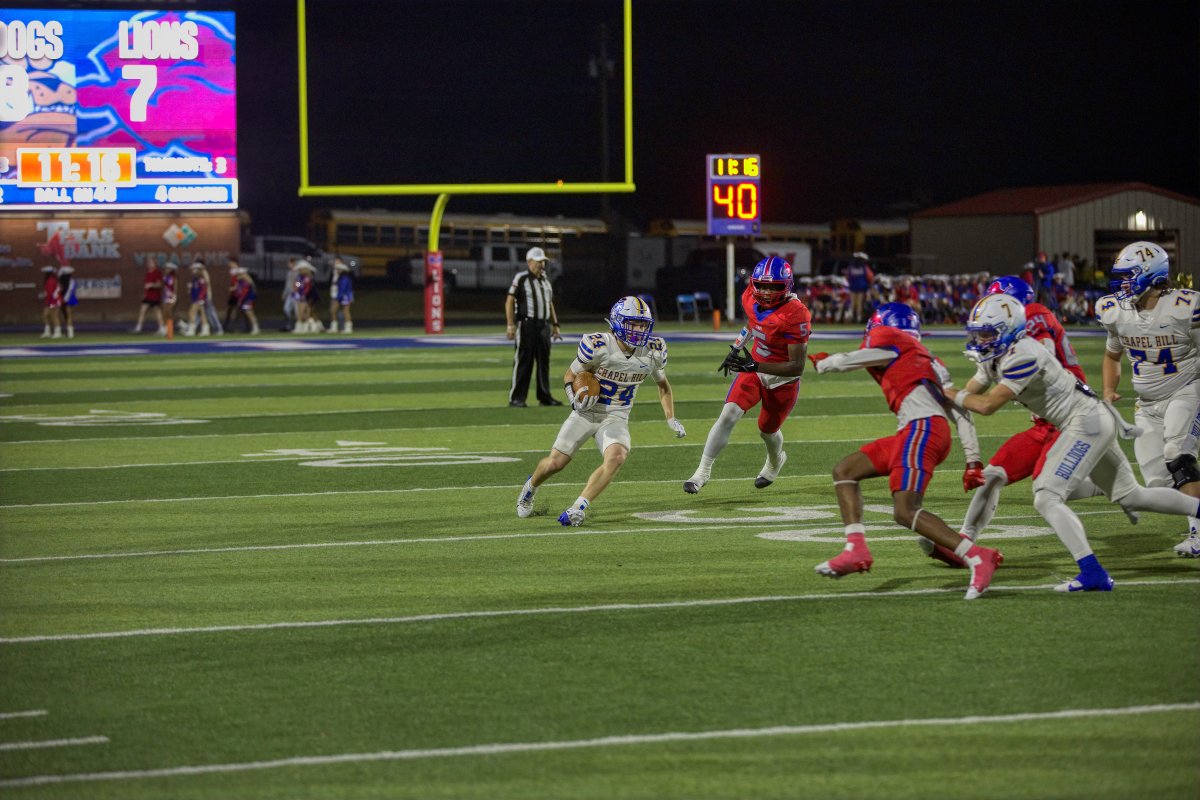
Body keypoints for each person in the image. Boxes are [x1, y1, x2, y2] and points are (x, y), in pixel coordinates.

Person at [949, 293, 1200, 592]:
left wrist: (947, 391)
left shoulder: (1023, 353)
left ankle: (1092, 572)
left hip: (1084, 422)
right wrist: (945, 395)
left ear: (1008, 330)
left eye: (987, 333)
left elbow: (987, 405)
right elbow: (969, 393)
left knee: (1046, 496)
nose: (980, 340)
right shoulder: (997, 355)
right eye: (978, 333)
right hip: (1089, 419)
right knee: (1132, 496)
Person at [807, 302, 1003, 600]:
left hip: (921, 429)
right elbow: (959, 409)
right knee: (845, 471)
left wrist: (828, 363)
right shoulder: (930, 360)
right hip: (921, 430)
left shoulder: (889, 339)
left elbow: (869, 355)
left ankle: (977, 555)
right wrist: (973, 458)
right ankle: (855, 549)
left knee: (905, 510)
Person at [947, 275, 1111, 562]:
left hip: (1068, 417)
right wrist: (945, 396)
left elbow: (1040, 358)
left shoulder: (1032, 321)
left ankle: (1109, 487)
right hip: (1044, 420)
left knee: (1047, 488)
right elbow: (978, 384)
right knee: (992, 475)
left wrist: (957, 393)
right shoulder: (1009, 338)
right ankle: (964, 543)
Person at [516, 296, 686, 526]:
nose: (639, 330)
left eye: (643, 325)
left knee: (617, 457)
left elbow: (663, 386)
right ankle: (530, 488)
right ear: (617, 322)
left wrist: (671, 418)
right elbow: (570, 375)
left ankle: (578, 507)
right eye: (633, 324)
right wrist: (574, 400)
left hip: (616, 416)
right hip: (586, 412)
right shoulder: (598, 345)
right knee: (555, 463)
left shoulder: (653, 351)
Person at [1098, 241, 1200, 557]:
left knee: (1177, 454)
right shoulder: (1115, 311)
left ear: (1151, 274)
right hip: (1147, 403)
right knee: (1157, 482)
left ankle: (1198, 533)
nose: (1121, 283)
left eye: (1128, 276)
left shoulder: (1184, 307)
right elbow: (1112, 355)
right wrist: (1108, 389)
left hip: (1186, 389)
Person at [683, 256, 811, 494]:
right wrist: (736, 348)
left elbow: (796, 366)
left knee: (767, 430)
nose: (765, 292)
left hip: (782, 379)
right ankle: (702, 471)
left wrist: (756, 366)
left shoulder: (796, 314)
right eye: (761, 285)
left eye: (773, 287)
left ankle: (775, 460)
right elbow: (753, 324)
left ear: (786, 286)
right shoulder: (749, 297)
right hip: (754, 367)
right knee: (728, 414)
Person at [505, 246, 562, 407]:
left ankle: (544, 397)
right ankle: (517, 398)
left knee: (544, 363)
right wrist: (510, 324)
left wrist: (555, 324)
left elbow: (549, 303)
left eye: (543, 261)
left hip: (543, 326)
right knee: (524, 362)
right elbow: (509, 301)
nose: (541, 265)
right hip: (527, 325)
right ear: (529, 262)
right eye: (538, 262)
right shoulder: (521, 278)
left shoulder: (545, 281)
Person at [132, 261, 164, 334]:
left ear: (155, 264)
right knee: (142, 311)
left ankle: (162, 328)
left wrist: (151, 285)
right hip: (148, 296)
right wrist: (145, 294)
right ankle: (138, 327)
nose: (150, 264)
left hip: (155, 296)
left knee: (157, 312)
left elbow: (159, 285)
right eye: (149, 263)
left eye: (152, 263)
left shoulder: (157, 273)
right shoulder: (148, 273)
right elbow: (146, 286)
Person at [185, 261, 212, 336]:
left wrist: (201, 299)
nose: (192, 271)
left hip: (199, 299)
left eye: (194, 269)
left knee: (191, 312)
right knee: (202, 314)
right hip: (196, 298)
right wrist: (190, 289)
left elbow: (204, 290)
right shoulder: (194, 279)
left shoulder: (201, 279)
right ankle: (205, 329)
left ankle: (192, 330)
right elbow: (193, 291)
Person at [233, 266, 261, 335]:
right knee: (247, 313)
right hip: (245, 299)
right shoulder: (241, 282)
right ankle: (251, 327)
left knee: (249, 313)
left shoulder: (246, 282)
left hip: (248, 299)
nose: (237, 276)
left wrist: (240, 300)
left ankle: (255, 327)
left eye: (238, 275)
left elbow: (244, 292)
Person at [328, 259, 354, 333]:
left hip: (345, 296)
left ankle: (348, 328)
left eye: (339, 269)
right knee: (334, 310)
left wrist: (339, 296)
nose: (337, 270)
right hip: (342, 296)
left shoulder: (344, 278)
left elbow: (343, 289)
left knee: (345, 311)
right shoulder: (341, 277)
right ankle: (335, 327)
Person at [38, 265, 62, 338]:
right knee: (45, 315)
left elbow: (51, 292)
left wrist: (46, 297)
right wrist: (44, 295)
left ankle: (58, 332)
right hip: (50, 300)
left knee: (54, 316)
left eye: (45, 272)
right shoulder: (50, 280)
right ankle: (47, 332)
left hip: (53, 300)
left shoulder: (51, 280)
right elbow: (48, 291)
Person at [57, 265, 77, 339]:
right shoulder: (70, 280)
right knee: (68, 315)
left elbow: (69, 290)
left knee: (67, 315)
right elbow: (70, 290)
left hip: (65, 299)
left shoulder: (62, 280)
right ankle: (70, 333)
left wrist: (64, 299)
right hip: (68, 299)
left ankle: (70, 333)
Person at [281, 256, 299, 331]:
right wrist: (284, 293)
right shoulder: (289, 272)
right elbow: (287, 284)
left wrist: (297, 287)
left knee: (297, 311)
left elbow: (300, 282)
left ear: (293, 263)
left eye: (289, 263)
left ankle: (298, 325)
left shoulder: (298, 272)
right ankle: (289, 325)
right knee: (286, 309)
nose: (288, 265)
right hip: (290, 293)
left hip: (296, 293)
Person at [162, 262, 180, 335]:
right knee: (165, 312)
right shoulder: (165, 277)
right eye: (166, 268)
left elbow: (175, 289)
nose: (167, 269)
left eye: (168, 268)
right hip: (165, 296)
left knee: (170, 312)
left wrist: (174, 298)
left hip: (171, 296)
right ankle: (165, 328)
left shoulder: (174, 278)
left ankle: (170, 330)